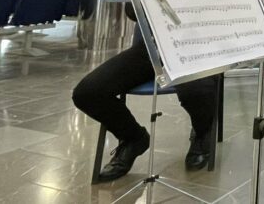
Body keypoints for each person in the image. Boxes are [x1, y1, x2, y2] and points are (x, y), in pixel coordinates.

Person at [72, 12, 221, 182]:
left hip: (201, 47)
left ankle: (202, 132)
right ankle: (133, 138)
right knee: (88, 93)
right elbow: (130, 9)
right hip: (154, 47)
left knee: (195, 88)